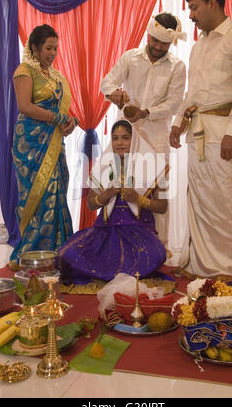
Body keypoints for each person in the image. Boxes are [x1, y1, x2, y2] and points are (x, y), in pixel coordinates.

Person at [170, 0, 232, 284]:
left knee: (225, 201)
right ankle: (198, 264)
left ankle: (225, 268)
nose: (191, 15)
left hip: (224, 132)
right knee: (199, 200)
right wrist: (177, 122)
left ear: (212, 3)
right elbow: (192, 93)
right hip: (197, 133)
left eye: (194, 7)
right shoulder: (199, 45)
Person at [57, 120, 174, 294]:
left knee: (156, 254)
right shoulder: (103, 166)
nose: (120, 143)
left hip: (139, 231)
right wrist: (106, 195)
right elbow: (90, 203)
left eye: (125, 138)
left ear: (134, 140)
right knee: (66, 255)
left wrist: (138, 199)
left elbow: (163, 206)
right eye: (115, 138)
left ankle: (109, 273)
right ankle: (118, 273)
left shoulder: (154, 165)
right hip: (106, 231)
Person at [100, 12, 186, 247]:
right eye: (155, 40)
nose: (158, 47)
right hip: (125, 138)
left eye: (164, 43)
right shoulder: (130, 57)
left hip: (156, 138)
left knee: (156, 194)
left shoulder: (177, 66)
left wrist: (146, 113)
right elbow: (106, 82)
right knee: (119, 189)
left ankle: (160, 249)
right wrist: (114, 94)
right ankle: (119, 246)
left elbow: (175, 102)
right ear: (148, 34)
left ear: (172, 42)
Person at [9, 24, 78, 270]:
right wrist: (56, 118)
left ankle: (59, 250)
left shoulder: (56, 76)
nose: (53, 53)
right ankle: (33, 253)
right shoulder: (24, 71)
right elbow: (25, 107)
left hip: (53, 142)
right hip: (31, 144)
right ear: (35, 47)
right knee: (42, 195)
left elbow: (60, 110)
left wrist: (70, 120)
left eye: (56, 48)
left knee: (58, 191)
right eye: (48, 48)